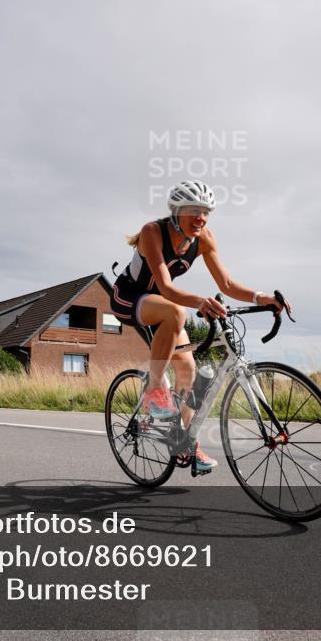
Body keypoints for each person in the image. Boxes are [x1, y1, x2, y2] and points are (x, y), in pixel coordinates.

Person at [110, 180, 290, 470]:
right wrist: (200, 302)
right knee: (177, 312)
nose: (201, 217)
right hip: (129, 297)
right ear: (177, 211)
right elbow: (166, 289)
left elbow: (227, 284)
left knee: (189, 370)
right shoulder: (152, 232)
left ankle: (184, 444)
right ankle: (154, 391)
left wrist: (262, 297)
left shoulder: (204, 238)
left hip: (162, 306)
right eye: (194, 210)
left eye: (206, 211)